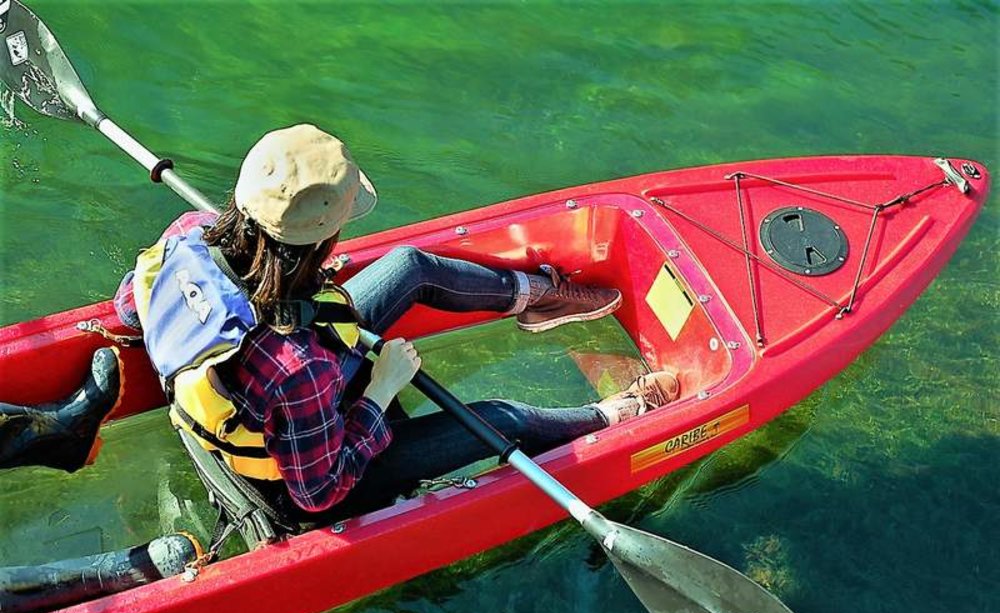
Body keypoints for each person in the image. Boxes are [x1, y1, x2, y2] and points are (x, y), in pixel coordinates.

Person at [2, 124, 680, 526]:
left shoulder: (188, 236)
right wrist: (381, 391)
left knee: (410, 264)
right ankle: (613, 415)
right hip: (299, 480)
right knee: (497, 418)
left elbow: (129, 305)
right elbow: (321, 489)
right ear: (320, 246)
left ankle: (534, 297)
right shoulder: (296, 368)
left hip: (272, 377)